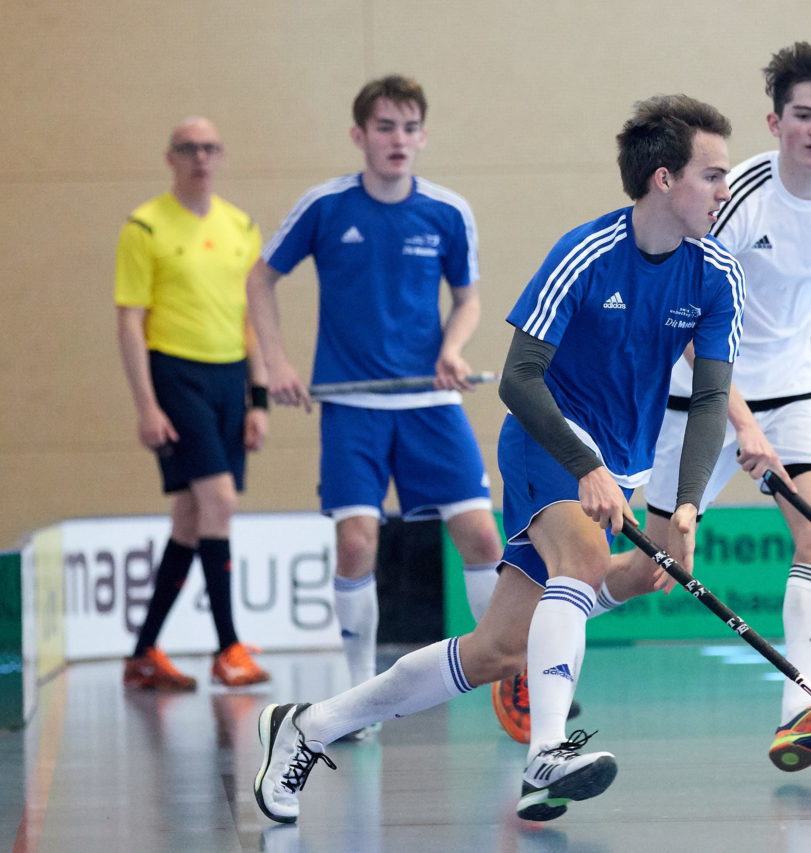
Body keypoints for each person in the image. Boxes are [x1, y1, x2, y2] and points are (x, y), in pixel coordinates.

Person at [252, 93, 743, 826]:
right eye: (713, 176)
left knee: (501, 648)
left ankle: (309, 724)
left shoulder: (713, 275)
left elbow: (709, 401)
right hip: (551, 441)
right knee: (579, 562)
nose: (724, 191)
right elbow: (519, 377)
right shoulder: (585, 254)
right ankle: (546, 756)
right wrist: (584, 464)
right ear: (664, 180)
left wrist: (687, 504)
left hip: (628, 462)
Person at [587, 42, 811, 772]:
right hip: (700, 399)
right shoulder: (741, 195)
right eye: (802, 114)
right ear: (775, 119)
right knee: (651, 565)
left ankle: (801, 713)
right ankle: (536, 636)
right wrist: (739, 419)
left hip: (790, 392)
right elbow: (687, 315)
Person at [245, 75, 505, 720]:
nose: (398, 140)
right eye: (385, 127)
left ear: (423, 136)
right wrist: (275, 364)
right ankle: (358, 692)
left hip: (429, 405)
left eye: (409, 127)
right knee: (357, 542)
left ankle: (510, 674)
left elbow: (467, 300)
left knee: (482, 538)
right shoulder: (326, 207)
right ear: (360, 136)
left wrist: (451, 349)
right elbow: (260, 278)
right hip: (352, 408)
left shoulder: (448, 211)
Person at [116, 117, 272, 690]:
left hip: (230, 377)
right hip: (175, 374)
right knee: (221, 502)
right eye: (188, 148)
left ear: (220, 155)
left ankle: (141, 654)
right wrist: (146, 404)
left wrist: (257, 400)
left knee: (191, 516)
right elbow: (130, 322)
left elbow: (252, 318)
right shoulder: (146, 227)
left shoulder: (241, 226)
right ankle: (228, 647)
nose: (200, 158)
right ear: (171, 156)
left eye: (209, 148)